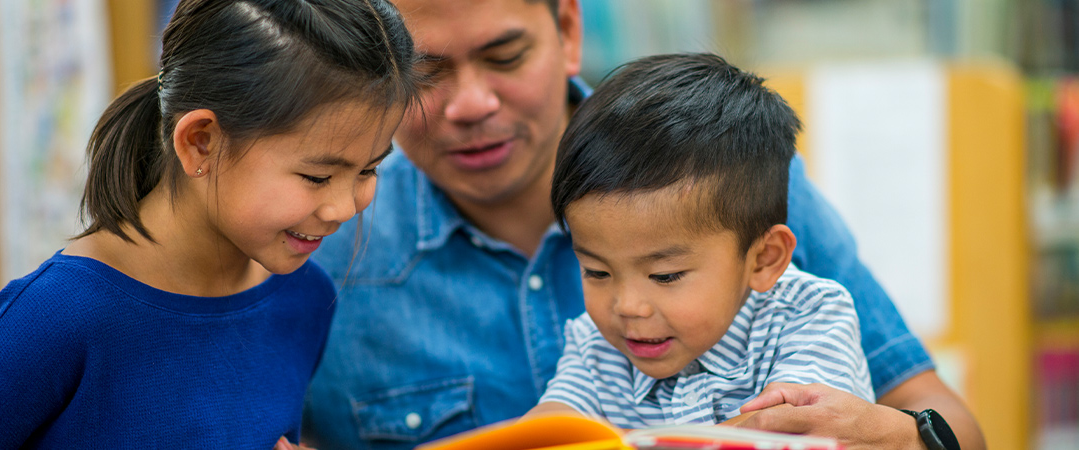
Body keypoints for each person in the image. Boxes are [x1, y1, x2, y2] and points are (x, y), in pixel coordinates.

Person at [303, 0, 985, 449]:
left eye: (505, 57)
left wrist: (901, 435)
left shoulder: (736, 179)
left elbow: (950, 422)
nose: (471, 104)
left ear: (568, 31)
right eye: (426, 74)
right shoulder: (319, 241)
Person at [0, 0, 417, 448]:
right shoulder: (54, 318)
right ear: (200, 142)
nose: (344, 208)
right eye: (317, 177)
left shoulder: (305, 300)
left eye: (368, 170)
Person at [525, 52, 875, 427]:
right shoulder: (593, 346)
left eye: (665, 276)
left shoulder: (809, 315)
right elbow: (551, 425)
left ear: (763, 259)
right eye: (596, 272)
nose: (627, 307)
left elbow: (788, 428)